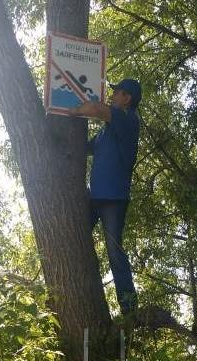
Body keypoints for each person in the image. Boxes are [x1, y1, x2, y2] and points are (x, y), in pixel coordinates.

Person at [68, 78, 141, 315]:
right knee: (75, 240)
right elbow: (86, 147)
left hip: (113, 200)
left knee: (114, 250)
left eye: (116, 93)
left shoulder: (128, 120)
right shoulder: (105, 132)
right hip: (95, 199)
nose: (112, 96)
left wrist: (70, 110)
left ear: (127, 98)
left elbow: (98, 109)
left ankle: (129, 306)